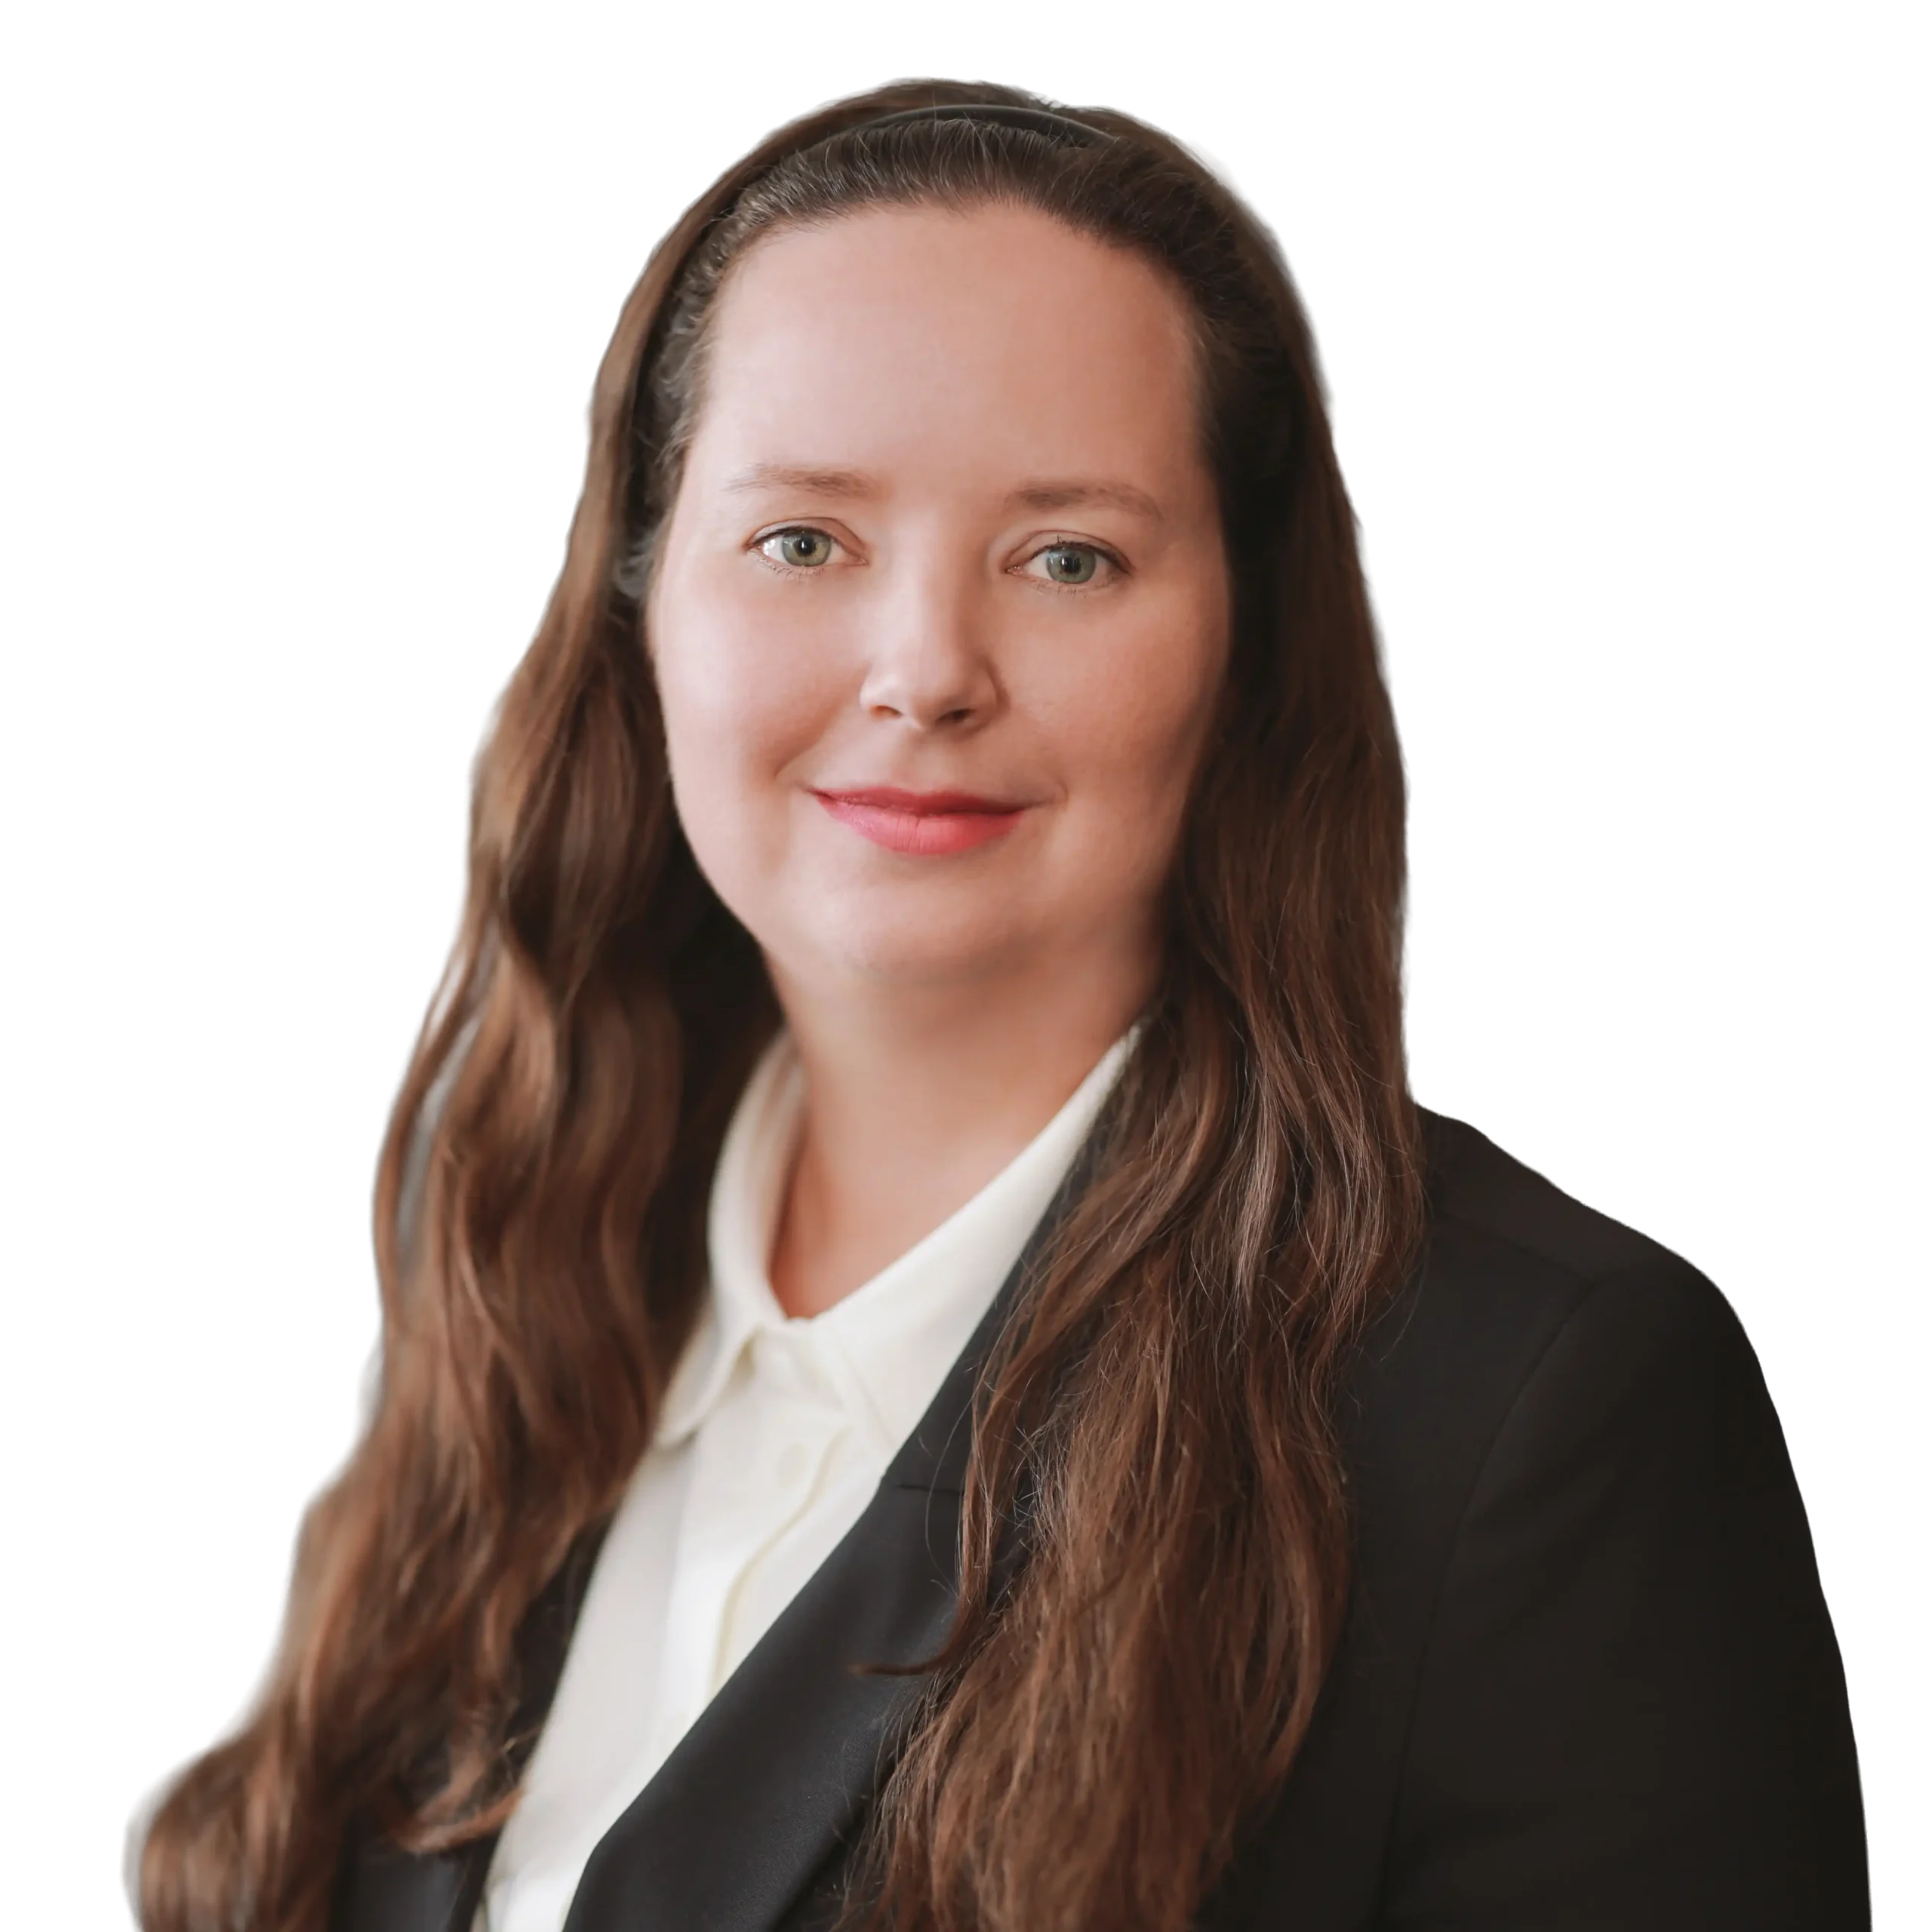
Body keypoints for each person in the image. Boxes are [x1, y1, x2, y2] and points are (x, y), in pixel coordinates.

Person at [122, 79, 1872, 1932]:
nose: (924, 670)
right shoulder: (511, 1268)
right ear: (640, 606)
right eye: (804, 539)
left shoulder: (1535, 1404)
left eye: (1067, 557)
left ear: (1242, 645)